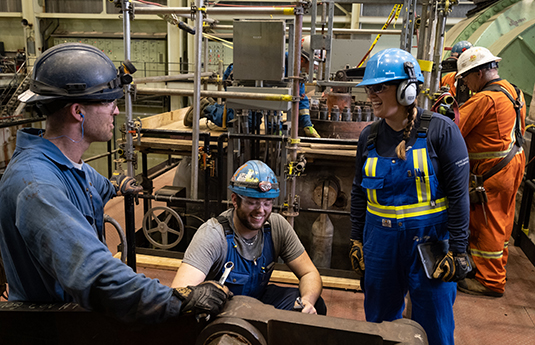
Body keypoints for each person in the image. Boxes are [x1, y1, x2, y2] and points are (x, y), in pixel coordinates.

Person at [0, 43, 231, 323]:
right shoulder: (37, 187)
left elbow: (94, 182)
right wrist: (179, 300)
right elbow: (97, 277)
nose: (116, 111)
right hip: (53, 327)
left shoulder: (65, 163)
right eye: (109, 101)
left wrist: (118, 184)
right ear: (78, 112)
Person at [349, 48, 471, 345]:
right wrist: (356, 239)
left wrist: (458, 249)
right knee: (379, 326)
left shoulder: (440, 132)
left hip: (429, 245)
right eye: (369, 89)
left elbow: (458, 196)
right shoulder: (369, 136)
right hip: (380, 245)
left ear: (407, 89)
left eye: (379, 87)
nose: (371, 96)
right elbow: (358, 191)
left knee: (435, 325)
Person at [172, 160, 326, 315]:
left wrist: (307, 301)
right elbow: (180, 294)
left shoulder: (277, 226)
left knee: (315, 304)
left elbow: (309, 273)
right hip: (222, 311)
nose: (261, 210)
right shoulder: (213, 234)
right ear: (234, 200)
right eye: (253, 202)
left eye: (267, 203)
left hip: (258, 300)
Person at [455, 46, 526, 297]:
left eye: (466, 77)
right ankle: (494, 268)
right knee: (503, 220)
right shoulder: (512, 91)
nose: (465, 82)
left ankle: (490, 281)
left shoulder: (485, 99)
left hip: (493, 172)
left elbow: (454, 130)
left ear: (479, 72)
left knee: (487, 223)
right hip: (513, 163)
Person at [184, 52, 321, 138]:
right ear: (302, 60)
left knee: (258, 124)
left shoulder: (296, 72)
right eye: (312, 66)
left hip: (260, 91)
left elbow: (301, 99)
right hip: (238, 79)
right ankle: (206, 107)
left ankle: (216, 107)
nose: (312, 70)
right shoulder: (278, 62)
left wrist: (307, 125)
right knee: (242, 124)